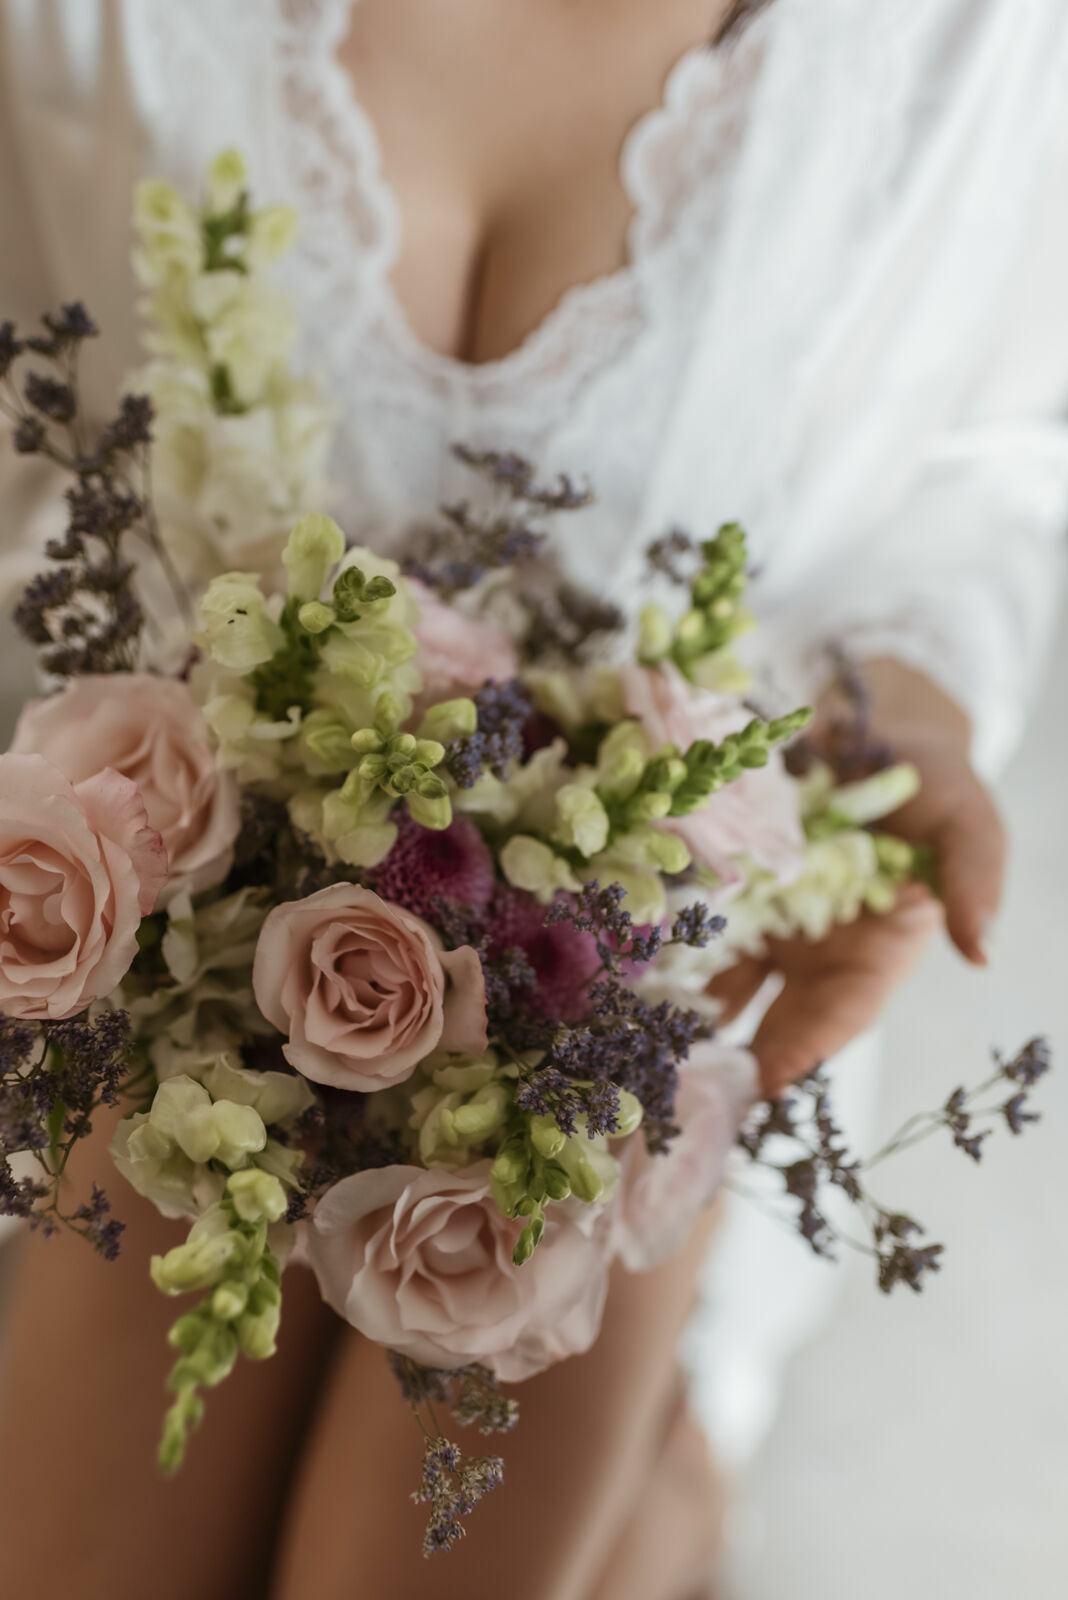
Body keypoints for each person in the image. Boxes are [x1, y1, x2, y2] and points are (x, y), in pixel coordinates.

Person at [0, 2, 1066, 1596]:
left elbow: (976, 465)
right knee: (165, 1266)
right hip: (170, 960)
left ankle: (669, 1471)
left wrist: (906, 723)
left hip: (655, 984)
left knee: (575, 1190)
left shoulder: (978, 47)